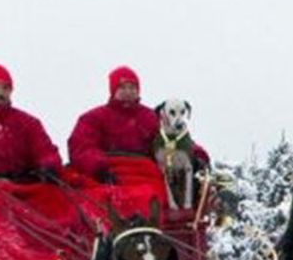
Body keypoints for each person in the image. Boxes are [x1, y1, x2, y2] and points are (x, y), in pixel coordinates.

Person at [67, 66, 209, 182]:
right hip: (108, 173)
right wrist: (99, 169)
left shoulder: (151, 118)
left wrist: (196, 155)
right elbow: (81, 147)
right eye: (122, 87)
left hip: (146, 174)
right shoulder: (93, 118)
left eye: (132, 87)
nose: (128, 92)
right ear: (113, 90)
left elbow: (174, 140)